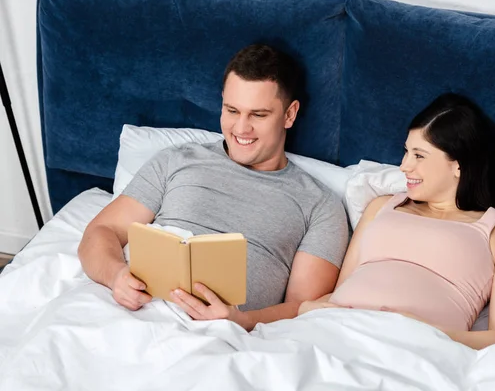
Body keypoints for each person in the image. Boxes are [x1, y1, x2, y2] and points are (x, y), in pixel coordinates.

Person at [78, 44, 349, 331]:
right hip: (132, 310)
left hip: (219, 334)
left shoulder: (320, 205)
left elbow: (303, 308)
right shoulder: (178, 159)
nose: (241, 128)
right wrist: (116, 276)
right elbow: (101, 231)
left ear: (289, 114)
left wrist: (242, 321)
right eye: (232, 110)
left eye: (258, 115)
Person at [299, 93, 495, 350]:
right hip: (331, 331)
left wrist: (424, 331)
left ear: (459, 165)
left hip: (413, 348)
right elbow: (341, 290)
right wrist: (308, 307)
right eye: (406, 152)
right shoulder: (381, 207)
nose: (404, 166)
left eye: (419, 156)